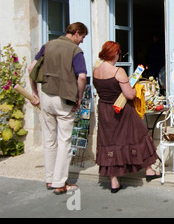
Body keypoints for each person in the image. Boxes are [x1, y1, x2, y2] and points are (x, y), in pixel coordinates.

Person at [29, 22, 88, 195]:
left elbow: (31, 68)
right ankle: (59, 183)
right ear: (76, 33)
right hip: (64, 98)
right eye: (82, 37)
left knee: (49, 140)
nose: (82, 41)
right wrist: (79, 98)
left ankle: (50, 179)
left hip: (46, 96)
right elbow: (82, 77)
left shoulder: (48, 45)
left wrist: (35, 93)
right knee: (64, 142)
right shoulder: (75, 51)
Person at [93, 41, 160, 193]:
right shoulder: (118, 71)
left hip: (105, 109)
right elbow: (129, 94)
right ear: (115, 54)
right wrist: (136, 90)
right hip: (121, 110)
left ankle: (114, 181)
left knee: (109, 142)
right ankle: (149, 170)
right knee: (140, 134)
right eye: (119, 54)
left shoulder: (96, 71)